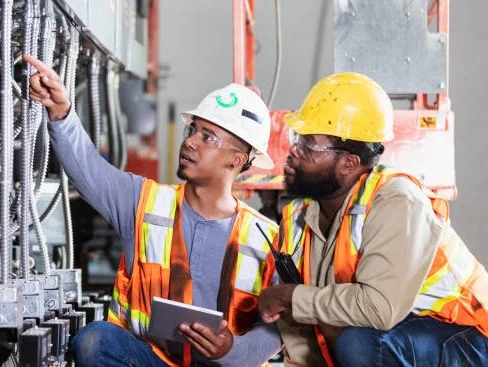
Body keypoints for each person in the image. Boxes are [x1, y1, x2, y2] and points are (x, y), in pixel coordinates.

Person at [24, 53, 284, 366]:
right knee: (96, 341)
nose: (190, 143)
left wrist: (231, 352)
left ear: (237, 160)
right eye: (193, 131)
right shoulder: (144, 201)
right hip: (150, 358)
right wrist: (61, 111)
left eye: (208, 136)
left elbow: (277, 329)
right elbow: (89, 170)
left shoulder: (266, 238)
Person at [258, 71, 488, 367]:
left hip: (471, 337)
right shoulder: (304, 217)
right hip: (410, 337)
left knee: (360, 340)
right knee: (345, 328)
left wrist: (290, 297)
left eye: (309, 144)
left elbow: (379, 308)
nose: (292, 152)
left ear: (348, 163)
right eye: (296, 139)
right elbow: (311, 332)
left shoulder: (397, 200)